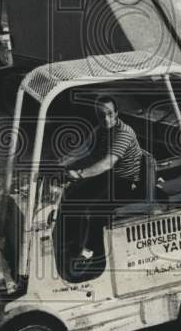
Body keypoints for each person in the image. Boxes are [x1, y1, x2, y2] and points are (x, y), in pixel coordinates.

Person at [59, 94, 143, 263]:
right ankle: (72, 242)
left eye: (109, 114)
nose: (106, 118)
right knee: (70, 196)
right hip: (109, 177)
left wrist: (79, 173)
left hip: (125, 180)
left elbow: (107, 164)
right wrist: (59, 163)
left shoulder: (123, 133)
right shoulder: (100, 129)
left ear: (117, 113)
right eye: (101, 114)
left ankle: (93, 253)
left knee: (93, 210)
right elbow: (82, 149)